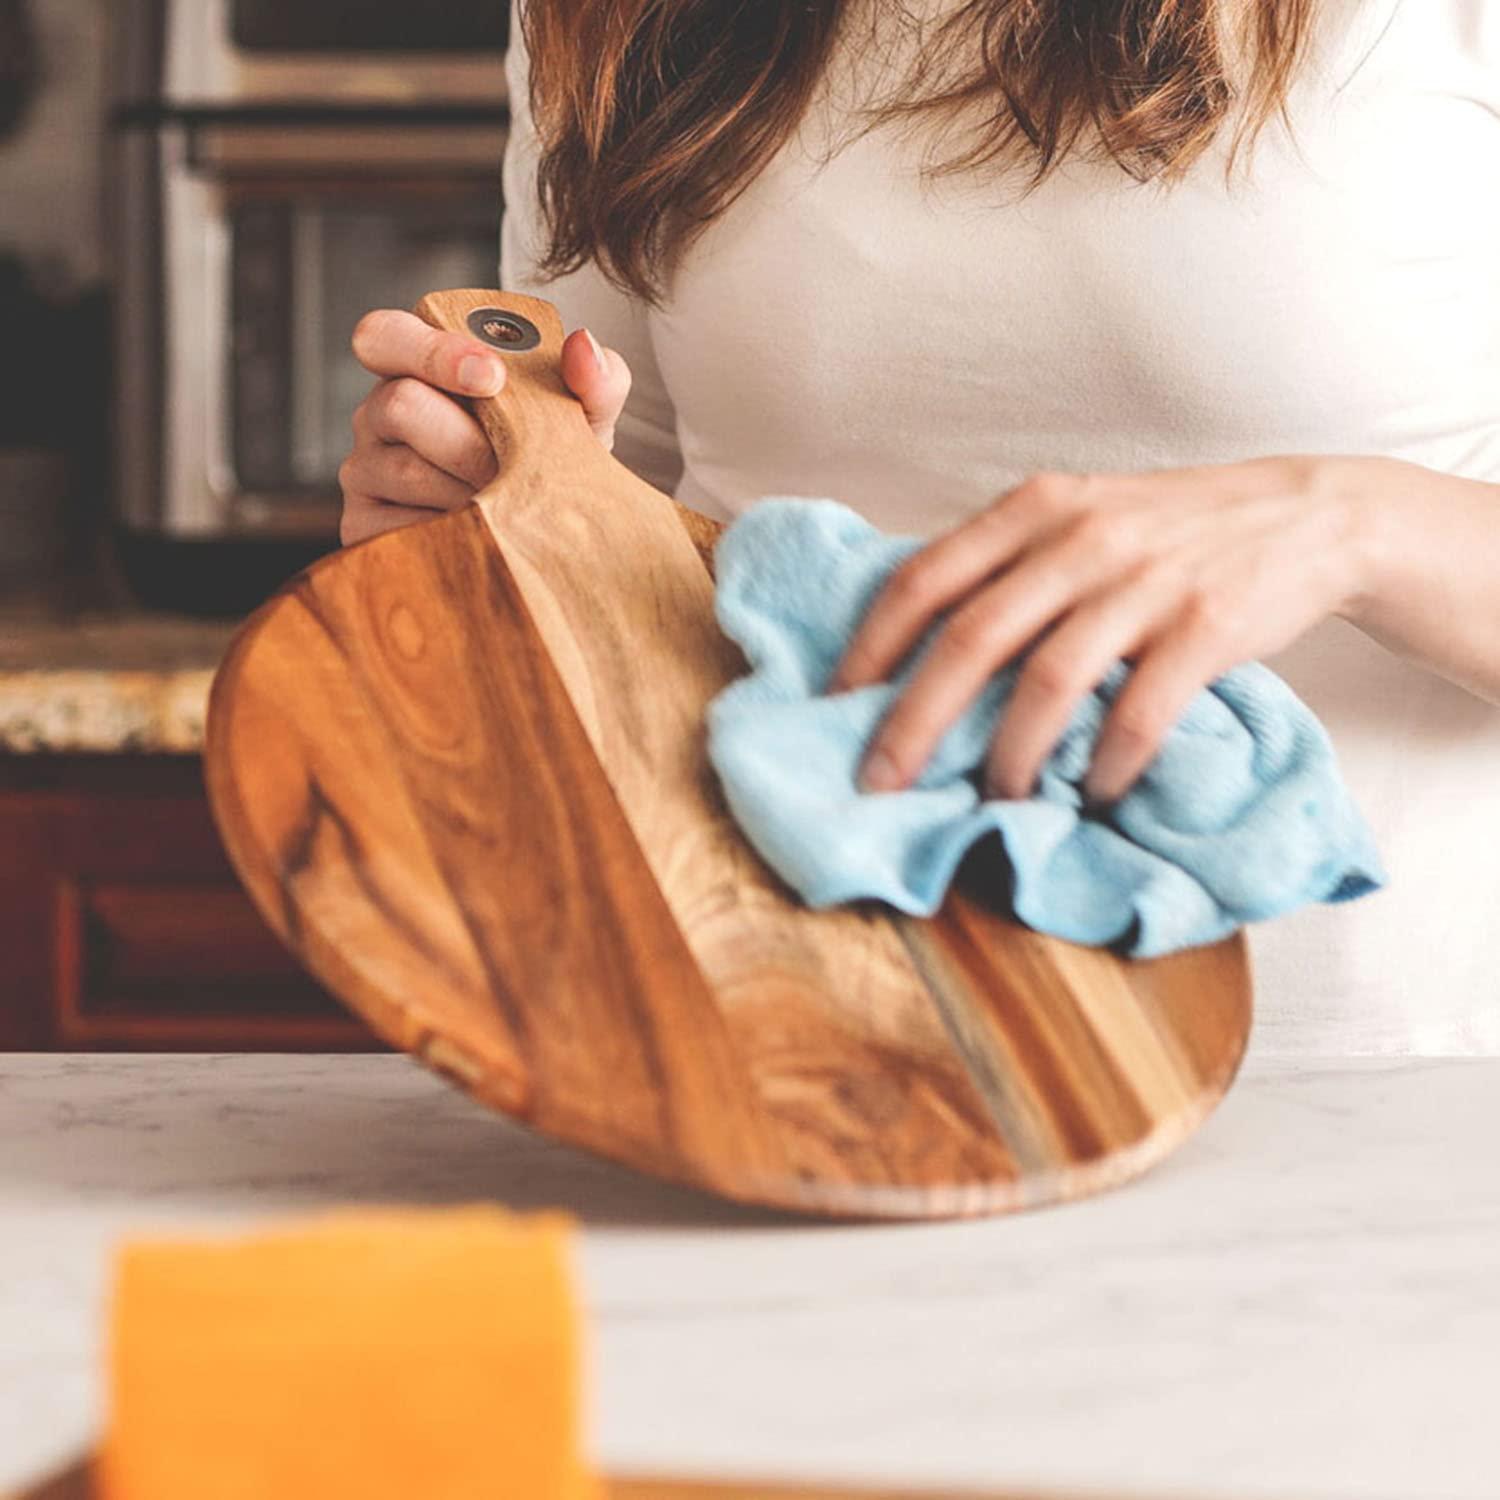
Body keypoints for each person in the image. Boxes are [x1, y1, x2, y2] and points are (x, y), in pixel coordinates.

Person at [339, 0, 1500, 1056]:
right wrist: (489, 519)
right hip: (774, 1039)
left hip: (1375, 1070)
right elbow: (615, 531)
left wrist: (1352, 526)